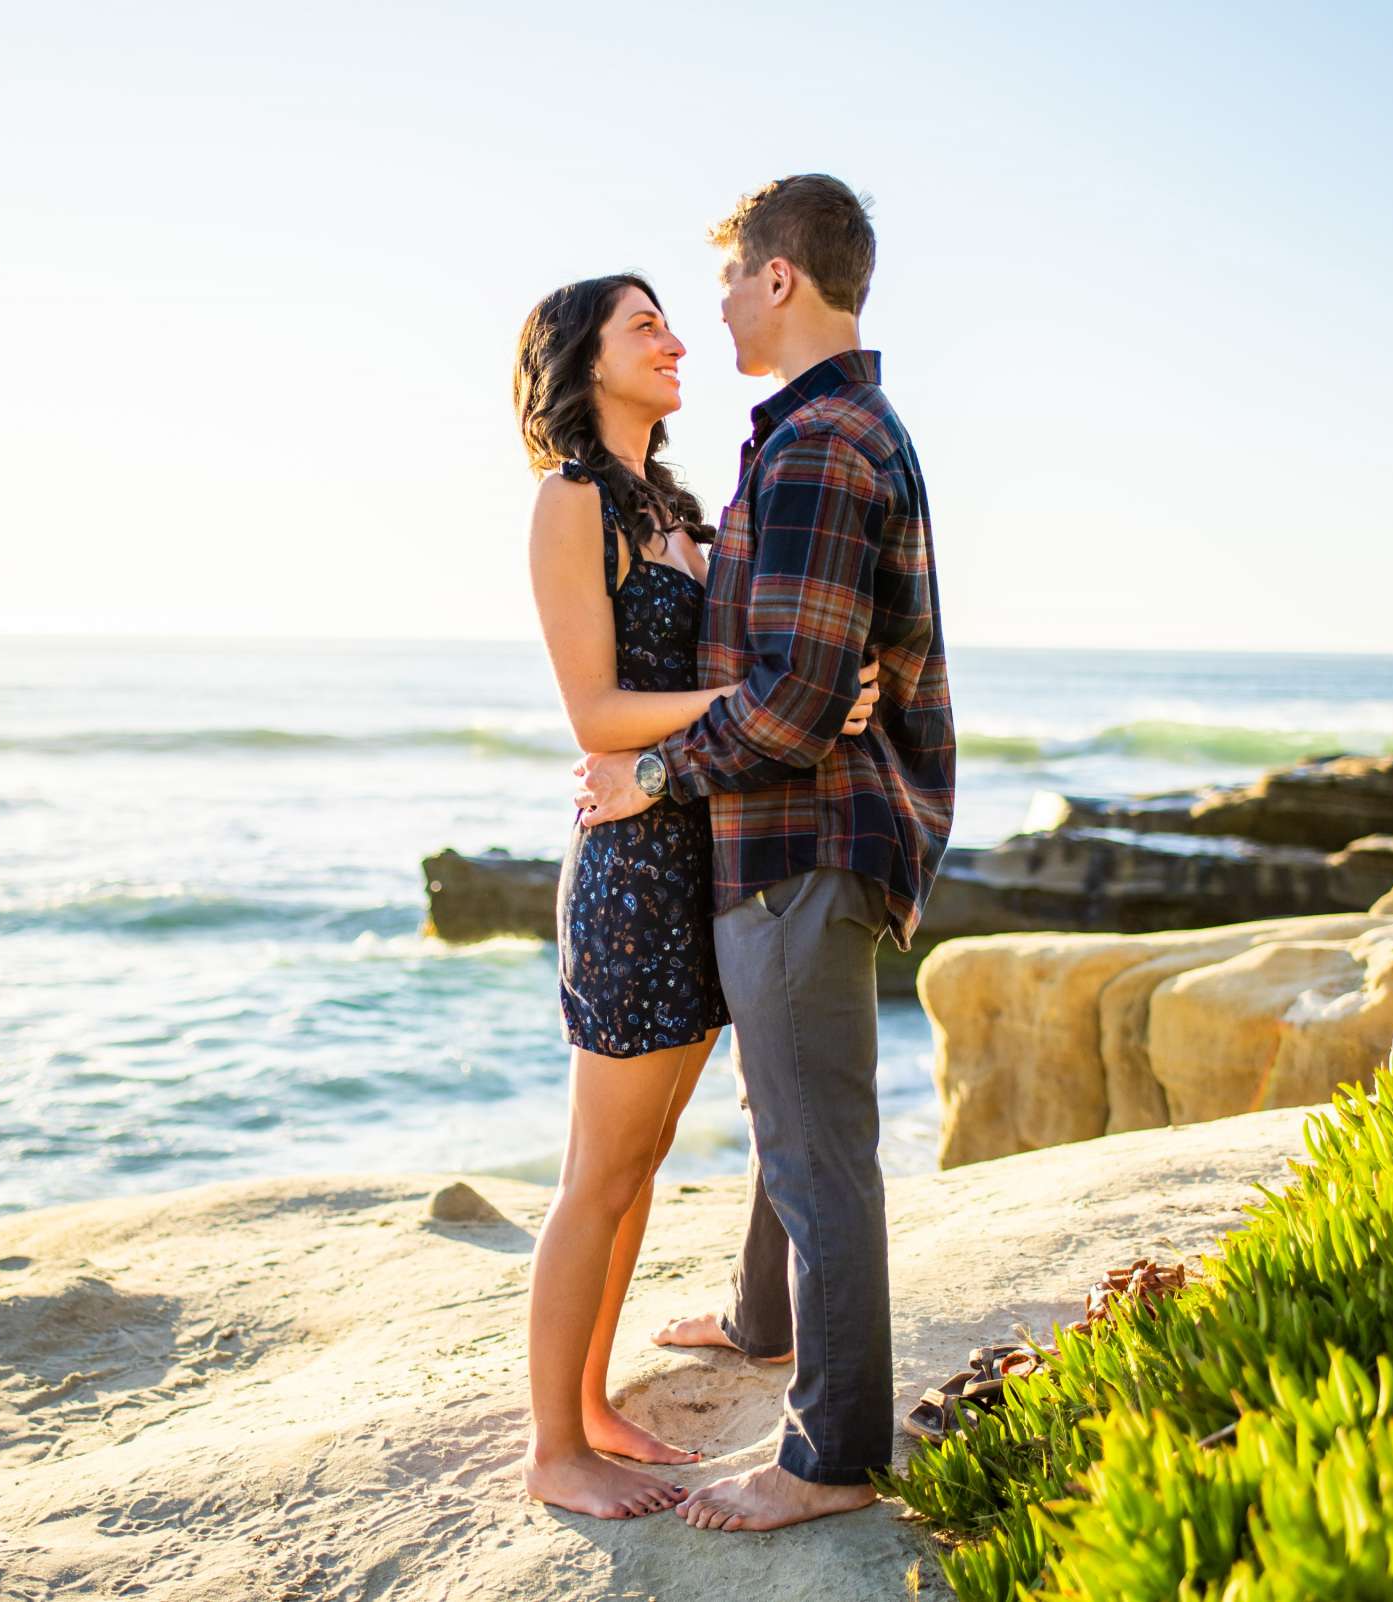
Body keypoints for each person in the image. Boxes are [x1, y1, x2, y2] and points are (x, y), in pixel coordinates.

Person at [571, 175, 956, 1533]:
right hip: (806, 831)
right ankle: (759, 1311)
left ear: (781, 278)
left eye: (729, 276)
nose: (716, 304)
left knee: (816, 1144)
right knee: (782, 1112)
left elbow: (793, 701)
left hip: (804, 835)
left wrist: (653, 774)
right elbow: (816, 660)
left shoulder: (818, 444)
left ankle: (831, 1453)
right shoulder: (825, 434)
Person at [511, 271, 882, 1520]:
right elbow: (598, 715)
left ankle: (595, 1401)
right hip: (629, 868)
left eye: (674, 316)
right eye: (643, 324)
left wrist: (827, 689)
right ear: (582, 359)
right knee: (597, 1171)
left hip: (702, 857)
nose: (675, 339)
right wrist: (766, 708)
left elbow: (773, 658)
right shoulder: (569, 505)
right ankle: (553, 1449)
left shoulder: (677, 502)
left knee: (646, 1159)